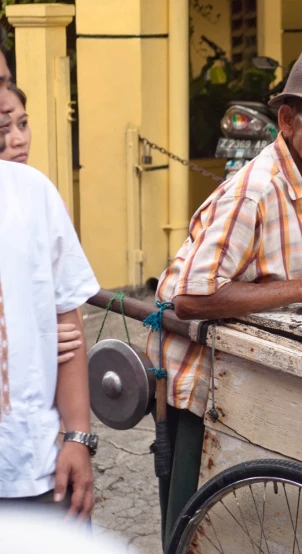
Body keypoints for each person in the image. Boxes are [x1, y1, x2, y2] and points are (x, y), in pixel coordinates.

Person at [149, 44, 302, 547]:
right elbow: (191, 300)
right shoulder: (256, 192)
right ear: (288, 120)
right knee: (189, 527)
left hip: (253, 369)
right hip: (202, 382)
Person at [0, 46, 100, 521]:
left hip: (30, 464)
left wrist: (77, 436)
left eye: (4, 81)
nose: (4, 100)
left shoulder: (31, 194)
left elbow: (67, 321)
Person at [0, 82, 84, 365]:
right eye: (4, 130)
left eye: (22, 124)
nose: (18, 139)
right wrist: (33, 335)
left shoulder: (42, 198)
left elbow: (66, 310)